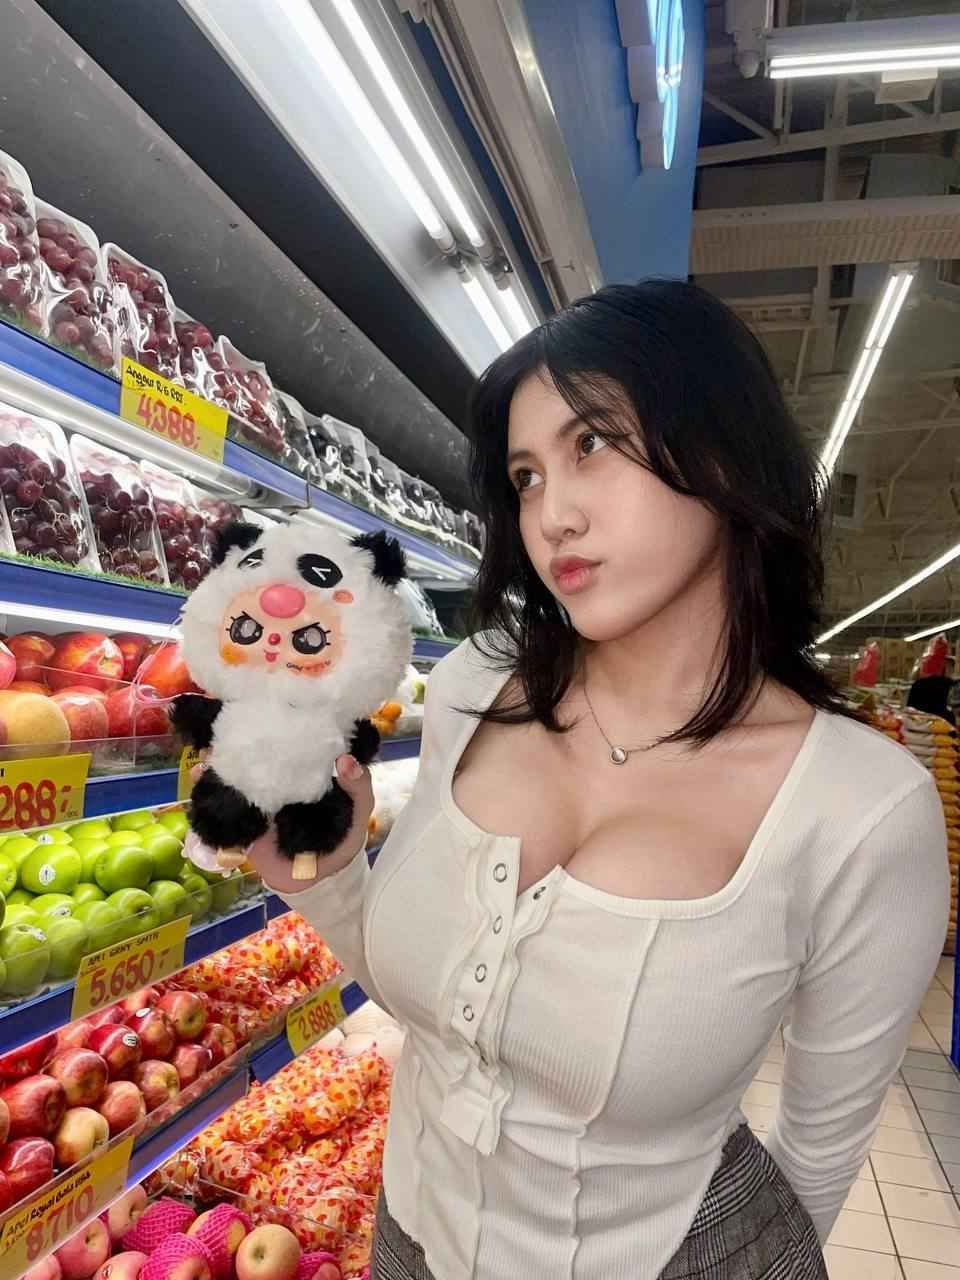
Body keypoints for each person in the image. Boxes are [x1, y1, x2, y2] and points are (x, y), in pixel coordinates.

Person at [243, 282, 948, 1280]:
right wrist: (332, 878)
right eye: (526, 476)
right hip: (408, 1241)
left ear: (722, 449)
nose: (554, 516)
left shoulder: (861, 807)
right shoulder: (475, 687)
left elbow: (820, 1150)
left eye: (593, 444)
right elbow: (441, 1011)